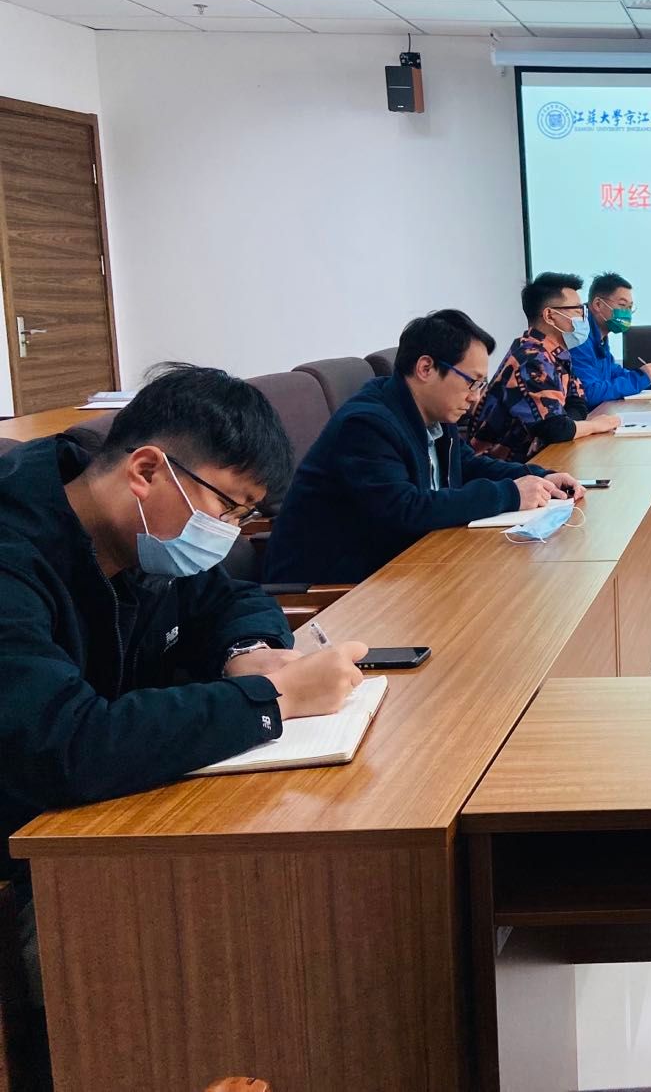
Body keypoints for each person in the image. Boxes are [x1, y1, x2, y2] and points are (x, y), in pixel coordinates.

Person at [0, 364, 368, 867]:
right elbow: (64, 746)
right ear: (146, 471)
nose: (230, 533)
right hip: (36, 842)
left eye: (243, 517)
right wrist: (276, 698)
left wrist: (249, 652)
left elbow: (232, 599)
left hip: (115, 807)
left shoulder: (142, 537)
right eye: (227, 507)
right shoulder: (14, 556)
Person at [264, 309, 586, 585]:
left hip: (402, 567)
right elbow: (405, 510)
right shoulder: (366, 424)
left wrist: (539, 476)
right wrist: (510, 493)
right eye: (471, 382)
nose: (475, 397)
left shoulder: (434, 411)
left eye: (481, 385)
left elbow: (468, 464)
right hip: (337, 589)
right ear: (426, 368)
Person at [467, 272, 621, 462]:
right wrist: (595, 425)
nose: (583, 317)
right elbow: (555, 428)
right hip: (498, 467)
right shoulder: (532, 358)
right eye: (577, 310)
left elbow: (577, 403)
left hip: (534, 460)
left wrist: (566, 425)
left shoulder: (557, 353)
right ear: (549, 315)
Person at [570, 271, 651, 407]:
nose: (627, 313)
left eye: (630, 307)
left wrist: (650, 379)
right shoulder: (578, 337)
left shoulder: (599, 335)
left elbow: (612, 372)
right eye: (622, 305)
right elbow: (588, 393)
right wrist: (639, 379)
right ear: (598, 304)